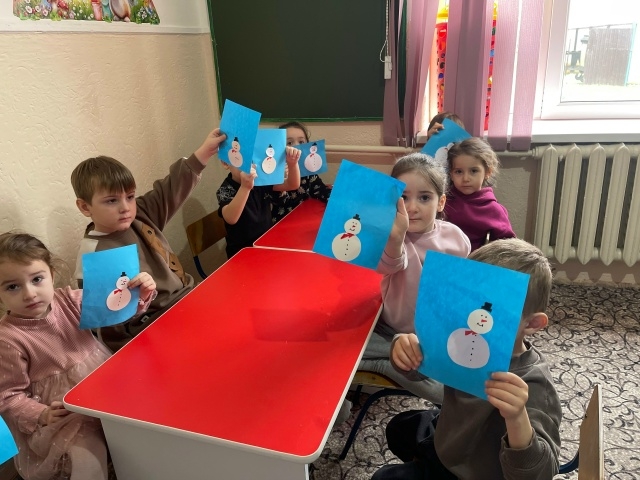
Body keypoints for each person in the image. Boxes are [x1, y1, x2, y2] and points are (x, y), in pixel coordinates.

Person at [372, 238, 562, 480]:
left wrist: (517, 418)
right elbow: (419, 369)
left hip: (474, 471)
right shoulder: (465, 338)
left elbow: (541, 473)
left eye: (492, 310)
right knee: (398, 428)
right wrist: (405, 350)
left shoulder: (534, 384)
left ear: (532, 323)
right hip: (451, 436)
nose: (470, 316)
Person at [0, 232, 156, 480]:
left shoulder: (69, 300)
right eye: (12, 286)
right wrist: (40, 414)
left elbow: (114, 308)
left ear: (52, 276)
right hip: (65, 412)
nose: (29, 294)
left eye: (37, 279)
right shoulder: (7, 338)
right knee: (87, 454)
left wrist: (140, 292)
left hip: (105, 385)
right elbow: (8, 396)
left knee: (147, 418)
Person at [336, 153, 470, 424]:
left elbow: (460, 291)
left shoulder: (455, 238)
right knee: (331, 348)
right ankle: (389, 359)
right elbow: (389, 265)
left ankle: (384, 362)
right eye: (403, 198)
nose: (412, 207)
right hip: (387, 328)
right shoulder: (391, 236)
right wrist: (396, 237)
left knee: (445, 391)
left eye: (424, 197)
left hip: (427, 339)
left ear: (441, 202)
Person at [71, 128, 225, 351]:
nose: (125, 207)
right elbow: (109, 330)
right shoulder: (95, 256)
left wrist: (205, 151)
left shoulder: (139, 214)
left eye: (130, 197)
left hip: (189, 299)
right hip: (155, 325)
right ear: (85, 207)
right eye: (112, 201)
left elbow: (171, 188)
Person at [216, 144, 301, 258]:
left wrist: (292, 164)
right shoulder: (226, 188)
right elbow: (231, 218)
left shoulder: (261, 181)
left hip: (266, 243)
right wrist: (245, 188)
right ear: (226, 163)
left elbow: (292, 184)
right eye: (240, 159)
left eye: (252, 158)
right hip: (242, 252)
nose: (249, 165)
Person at [445, 137, 516, 251]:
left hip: (473, 260)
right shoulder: (443, 200)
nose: (466, 178)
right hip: (438, 257)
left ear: (487, 172)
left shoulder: (493, 209)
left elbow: (509, 245)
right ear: (451, 174)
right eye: (458, 171)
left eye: (473, 171)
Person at [271, 121, 332, 223]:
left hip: (304, 219)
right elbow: (280, 201)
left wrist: (335, 198)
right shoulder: (276, 173)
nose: (296, 147)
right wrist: (283, 177)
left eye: (301, 142)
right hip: (281, 223)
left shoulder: (309, 172)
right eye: (289, 143)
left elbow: (320, 190)